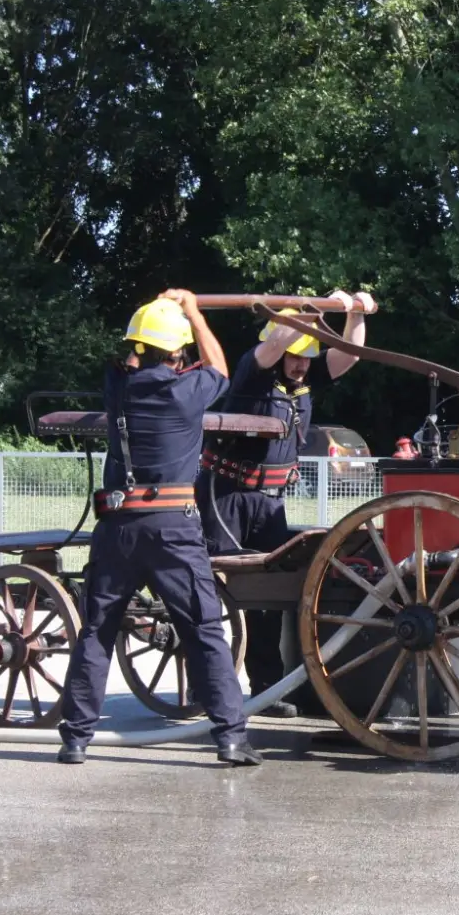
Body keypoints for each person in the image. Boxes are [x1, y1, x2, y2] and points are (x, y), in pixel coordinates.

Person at [57, 290, 260, 766]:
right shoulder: (187, 391)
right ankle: (231, 739)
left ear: (138, 347)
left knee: (97, 632)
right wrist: (193, 312)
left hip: (118, 527)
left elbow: (130, 359)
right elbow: (220, 368)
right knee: (204, 630)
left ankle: (75, 740)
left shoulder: (118, 386)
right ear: (178, 353)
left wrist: (155, 316)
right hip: (173, 530)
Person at [197, 290, 373, 716]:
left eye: (306, 357)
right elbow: (277, 340)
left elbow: (350, 354)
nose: (300, 364)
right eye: (295, 357)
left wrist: (354, 313)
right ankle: (209, 689)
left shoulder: (306, 380)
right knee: (217, 592)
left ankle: (265, 690)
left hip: (270, 501)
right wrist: (314, 310)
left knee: (269, 597)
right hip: (226, 495)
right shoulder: (253, 371)